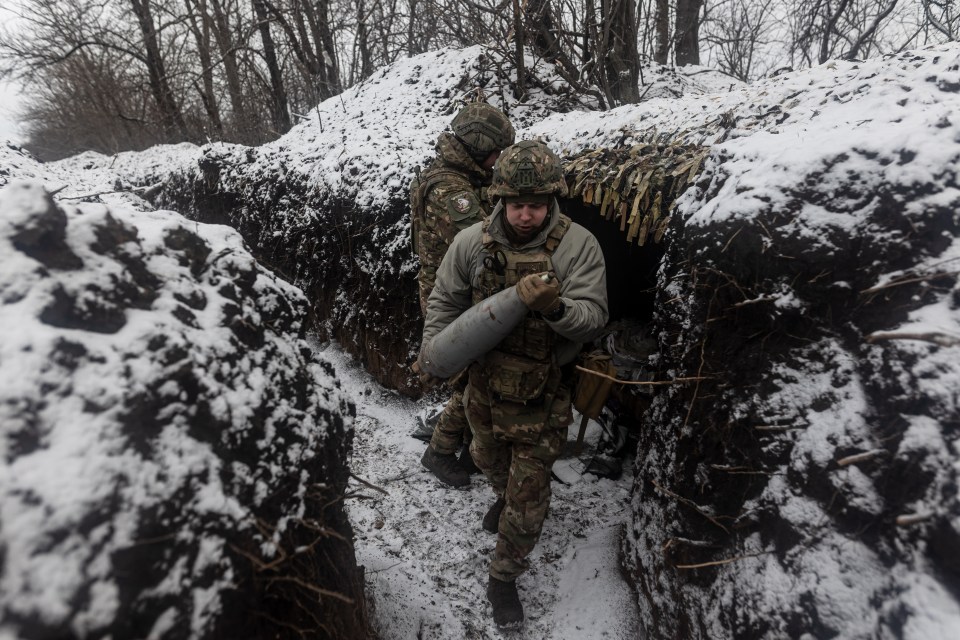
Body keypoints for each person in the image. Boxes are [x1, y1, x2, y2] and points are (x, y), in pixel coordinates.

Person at [419, 140, 609, 627]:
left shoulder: (577, 245)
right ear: (500, 200)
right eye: (516, 205)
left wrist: (556, 309)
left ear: (552, 201)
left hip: (542, 392)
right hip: (484, 385)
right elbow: (445, 300)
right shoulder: (471, 243)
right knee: (488, 461)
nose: (525, 216)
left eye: (536, 205)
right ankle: (503, 497)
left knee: (529, 499)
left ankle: (503, 578)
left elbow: (592, 319)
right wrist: (437, 348)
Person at [411, 101, 515, 487]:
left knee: (477, 376)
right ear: (475, 146)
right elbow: (483, 246)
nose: (497, 159)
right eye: (494, 151)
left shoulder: (460, 175)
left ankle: (469, 447)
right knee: (473, 381)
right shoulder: (451, 189)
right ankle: (438, 452)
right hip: (453, 297)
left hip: (464, 291)